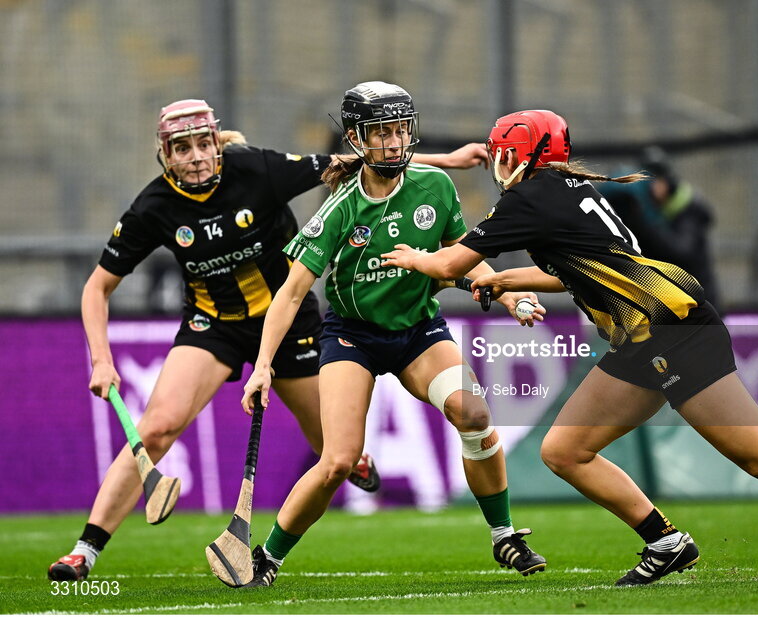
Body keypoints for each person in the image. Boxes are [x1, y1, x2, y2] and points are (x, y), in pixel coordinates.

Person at [383, 109, 758, 585]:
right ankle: (665, 542)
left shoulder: (529, 199)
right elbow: (580, 272)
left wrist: (413, 257)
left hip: (667, 332)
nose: (499, 164)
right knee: (564, 451)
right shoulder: (571, 190)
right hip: (648, 333)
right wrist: (506, 281)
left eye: (504, 153)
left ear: (521, 155)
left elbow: (450, 263)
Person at [47, 98, 490, 582]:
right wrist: (101, 360)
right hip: (213, 326)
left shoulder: (258, 169)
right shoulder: (155, 207)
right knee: (156, 428)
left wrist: (448, 161)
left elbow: (360, 160)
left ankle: (353, 457)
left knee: (333, 452)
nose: (194, 156)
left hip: (290, 321)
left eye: (202, 143)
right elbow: (98, 287)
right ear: (164, 155)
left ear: (217, 143)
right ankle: (85, 551)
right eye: (181, 148)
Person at [239, 81, 546, 588]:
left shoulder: (435, 186)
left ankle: (505, 535)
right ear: (358, 138)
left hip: (418, 331)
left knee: (473, 413)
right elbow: (291, 294)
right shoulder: (339, 209)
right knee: (338, 460)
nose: (395, 142)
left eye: (402, 130)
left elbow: (460, 256)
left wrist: (508, 293)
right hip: (351, 338)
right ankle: (268, 558)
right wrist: (264, 366)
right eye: (382, 133)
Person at [601, 146, 720, 307]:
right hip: (674, 306)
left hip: (701, 306)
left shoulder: (687, 209)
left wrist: (643, 223)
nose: (650, 187)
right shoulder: (652, 211)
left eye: (654, 180)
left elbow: (681, 253)